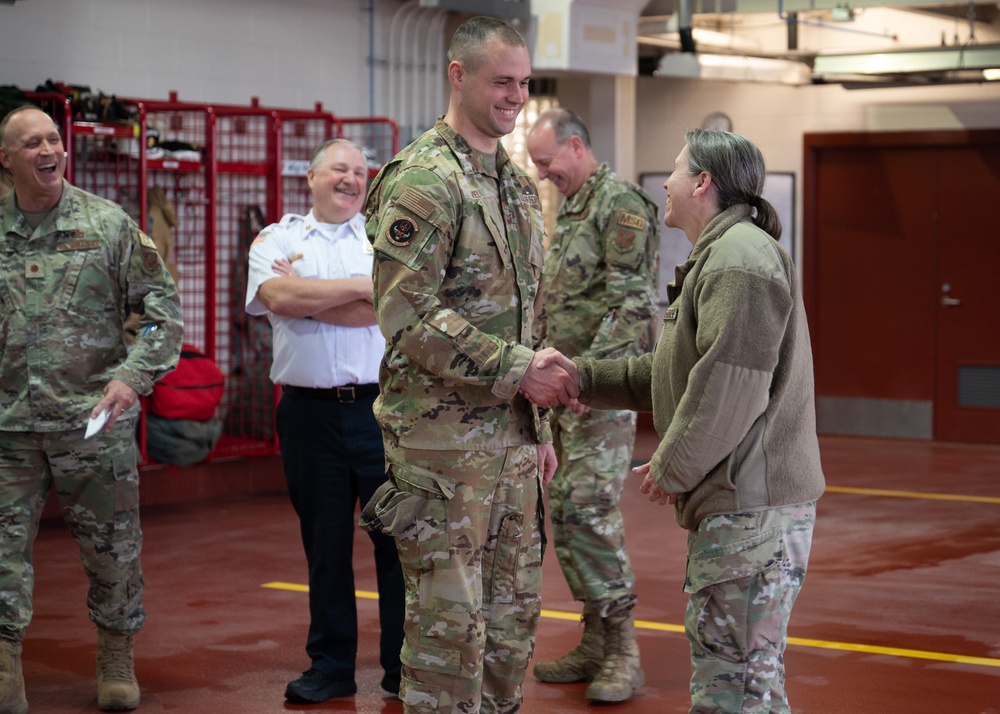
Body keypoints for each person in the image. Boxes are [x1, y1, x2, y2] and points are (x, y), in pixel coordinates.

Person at [538, 129, 826, 713]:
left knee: (733, 687)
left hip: (751, 510)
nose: (664, 183)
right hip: (741, 505)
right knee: (751, 683)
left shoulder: (739, 259)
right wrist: (583, 377)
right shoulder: (721, 256)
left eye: (674, 171)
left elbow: (731, 385)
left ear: (702, 182)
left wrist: (671, 466)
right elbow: (673, 372)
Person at [361, 15, 578, 714]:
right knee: (449, 641)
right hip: (442, 453)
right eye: (502, 81)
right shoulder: (425, 179)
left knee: (512, 633)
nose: (516, 96)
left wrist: (538, 431)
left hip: (511, 448)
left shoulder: (514, 185)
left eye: (523, 82)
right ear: (459, 75)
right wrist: (518, 369)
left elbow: (529, 318)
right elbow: (405, 315)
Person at [0, 106, 183, 713]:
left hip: (93, 424)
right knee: (1, 555)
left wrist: (133, 378)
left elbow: (163, 308)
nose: (48, 149)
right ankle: (5, 669)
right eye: (32, 143)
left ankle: (115, 656)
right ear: (7, 160)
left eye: (54, 138)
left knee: (112, 549)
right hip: (8, 428)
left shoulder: (106, 225)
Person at [244, 138, 405, 704]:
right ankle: (331, 665)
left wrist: (308, 297)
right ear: (311, 177)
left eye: (361, 172)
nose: (352, 179)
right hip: (308, 415)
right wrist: (366, 288)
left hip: (381, 411)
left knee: (396, 541)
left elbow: (391, 309)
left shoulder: (387, 238)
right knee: (325, 543)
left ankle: (400, 665)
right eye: (340, 169)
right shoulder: (278, 237)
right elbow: (277, 296)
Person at [525, 108, 658, 703]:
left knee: (587, 511)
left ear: (576, 146)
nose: (542, 172)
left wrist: (590, 379)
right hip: (566, 393)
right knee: (569, 514)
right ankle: (595, 640)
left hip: (597, 394)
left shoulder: (619, 206)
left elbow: (632, 306)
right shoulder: (574, 206)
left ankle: (624, 650)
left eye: (547, 161)